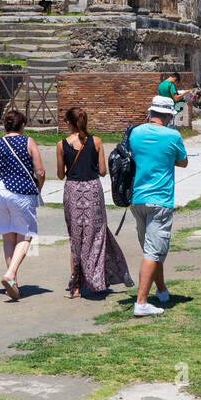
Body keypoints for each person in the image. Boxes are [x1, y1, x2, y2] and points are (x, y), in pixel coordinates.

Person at [57, 106, 132, 297]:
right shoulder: (96, 141)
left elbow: (59, 175)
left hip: (73, 189)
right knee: (97, 234)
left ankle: (75, 286)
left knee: (76, 237)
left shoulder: (61, 145)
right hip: (93, 189)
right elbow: (102, 171)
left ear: (68, 123)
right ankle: (96, 278)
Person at [128, 95, 188, 317]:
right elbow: (183, 161)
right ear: (169, 116)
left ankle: (161, 290)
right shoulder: (172, 136)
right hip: (160, 198)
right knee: (154, 251)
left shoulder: (135, 132)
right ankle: (141, 302)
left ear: (151, 113)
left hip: (137, 197)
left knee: (150, 249)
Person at [0, 109, 46, 300]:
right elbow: (40, 172)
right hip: (20, 191)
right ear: (23, 125)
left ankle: (13, 281)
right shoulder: (28, 141)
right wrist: (38, 190)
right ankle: (10, 274)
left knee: (8, 238)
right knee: (26, 235)